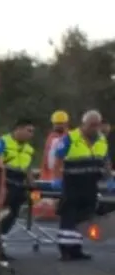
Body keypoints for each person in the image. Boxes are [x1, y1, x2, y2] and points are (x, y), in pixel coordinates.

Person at [53, 109, 110, 261]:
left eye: (97, 125)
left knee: (84, 217)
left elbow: (105, 160)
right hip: (72, 183)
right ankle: (65, 250)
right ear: (83, 124)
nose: (94, 128)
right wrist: (57, 178)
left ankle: (76, 249)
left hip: (90, 184)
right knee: (69, 215)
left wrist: (109, 178)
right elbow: (58, 159)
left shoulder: (101, 139)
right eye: (91, 125)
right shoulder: (70, 138)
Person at [0, 118, 35, 255]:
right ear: (18, 129)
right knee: (1, 215)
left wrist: (31, 182)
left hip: (19, 184)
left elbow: (28, 167)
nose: (31, 135)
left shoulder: (29, 149)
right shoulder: (2, 142)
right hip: (5, 182)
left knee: (13, 214)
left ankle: (1, 243)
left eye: (32, 132)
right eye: (28, 131)